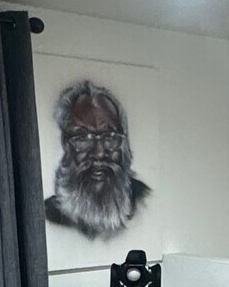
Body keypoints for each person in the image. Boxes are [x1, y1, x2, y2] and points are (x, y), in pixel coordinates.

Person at [44, 80, 151, 239]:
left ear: (124, 144)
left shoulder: (143, 201)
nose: (100, 153)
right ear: (66, 144)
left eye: (110, 137)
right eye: (83, 139)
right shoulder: (50, 213)